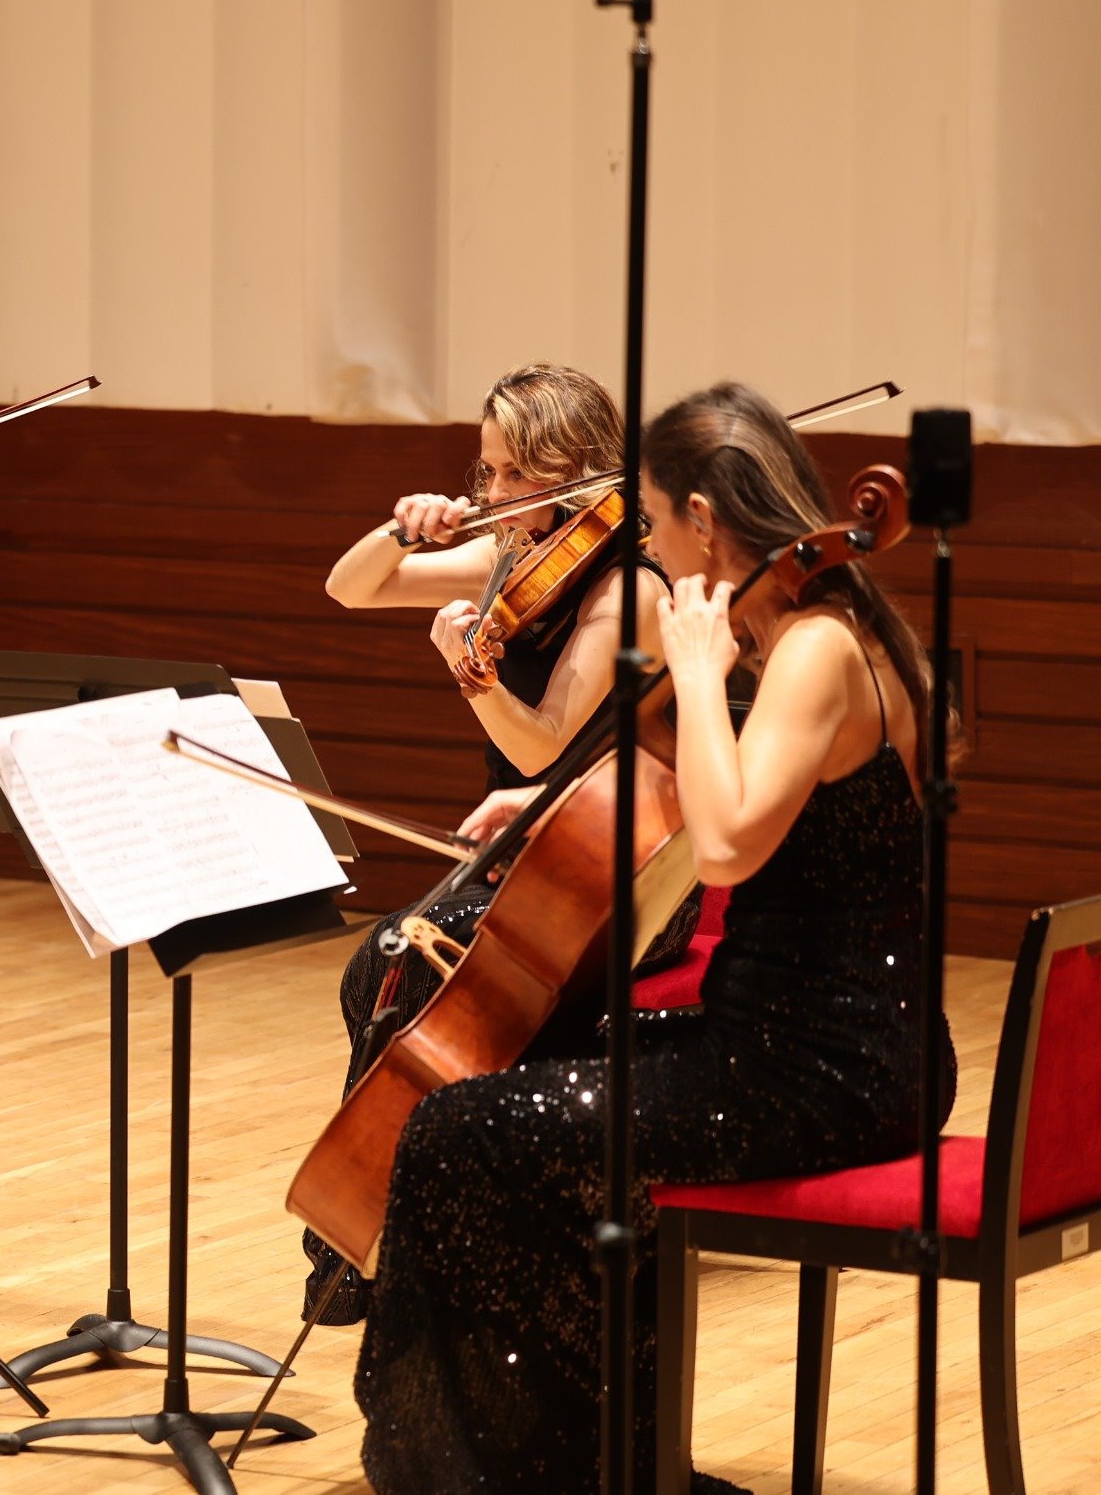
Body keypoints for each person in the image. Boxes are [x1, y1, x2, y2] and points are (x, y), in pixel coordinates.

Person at [351, 381, 953, 1493]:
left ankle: (523, 1466)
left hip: (813, 1066)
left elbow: (724, 846)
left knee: (458, 1129)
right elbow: (741, 797)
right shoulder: (829, 629)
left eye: (661, 524)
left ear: (705, 521)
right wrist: (553, 804)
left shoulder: (815, 648)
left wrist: (695, 667)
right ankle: (590, 1456)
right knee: (514, 1074)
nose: (655, 551)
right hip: (823, 1044)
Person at [307, 364, 675, 1320]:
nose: (496, 492)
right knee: (382, 970)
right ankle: (386, 1217)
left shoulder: (628, 586)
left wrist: (470, 672)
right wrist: (403, 527)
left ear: (579, 470)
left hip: (617, 868)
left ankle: (387, 1226)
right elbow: (349, 589)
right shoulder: (517, 555)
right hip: (532, 857)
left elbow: (543, 747)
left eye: (516, 473)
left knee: (400, 961)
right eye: (488, 470)